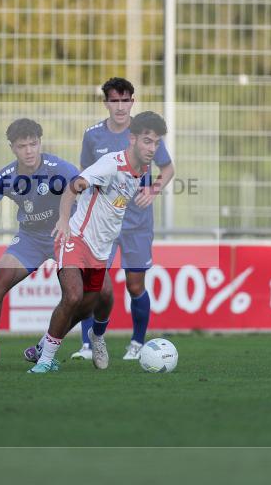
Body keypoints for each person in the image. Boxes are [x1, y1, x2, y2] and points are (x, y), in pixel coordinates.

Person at [29, 111, 168, 373]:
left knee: (100, 299)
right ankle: (46, 359)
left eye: (157, 142)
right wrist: (62, 221)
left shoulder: (143, 168)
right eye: (148, 141)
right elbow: (74, 185)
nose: (153, 148)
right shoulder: (111, 164)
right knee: (73, 295)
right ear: (133, 139)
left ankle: (95, 338)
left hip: (100, 249)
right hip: (76, 238)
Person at [0, 118, 79, 372]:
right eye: (23, 146)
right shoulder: (7, 176)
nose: (30, 150)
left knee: (76, 295)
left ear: (40, 143)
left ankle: (46, 345)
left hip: (64, 237)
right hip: (30, 238)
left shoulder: (59, 167)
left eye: (34, 144)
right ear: (13, 147)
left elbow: (84, 185)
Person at [71, 78, 174, 361]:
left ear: (132, 102)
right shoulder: (92, 136)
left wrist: (153, 190)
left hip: (137, 224)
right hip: (103, 224)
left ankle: (138, 344)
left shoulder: (144, 133)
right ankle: (88, 345)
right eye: (114, 100)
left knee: (135, 285)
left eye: (125, 100)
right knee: (94, 282)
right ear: (106, 103)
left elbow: (168, 167)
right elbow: (85, 173)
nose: (120, 106)